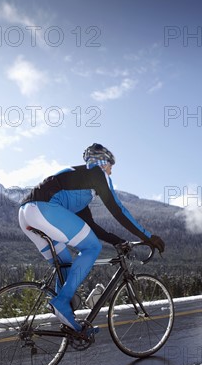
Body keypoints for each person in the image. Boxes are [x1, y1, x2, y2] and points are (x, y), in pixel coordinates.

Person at [18, 143, 165, 333]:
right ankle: (62, 302)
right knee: (91, 248)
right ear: (103, 162)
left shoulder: (80, 187)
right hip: (44, 209)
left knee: (64, 263)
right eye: (111, 166)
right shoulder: (97, 173)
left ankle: (68, 320)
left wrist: (117, 241)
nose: (111, 172)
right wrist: (147, 237)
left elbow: (92, 226)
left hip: (26, 214)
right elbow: (118, 210)